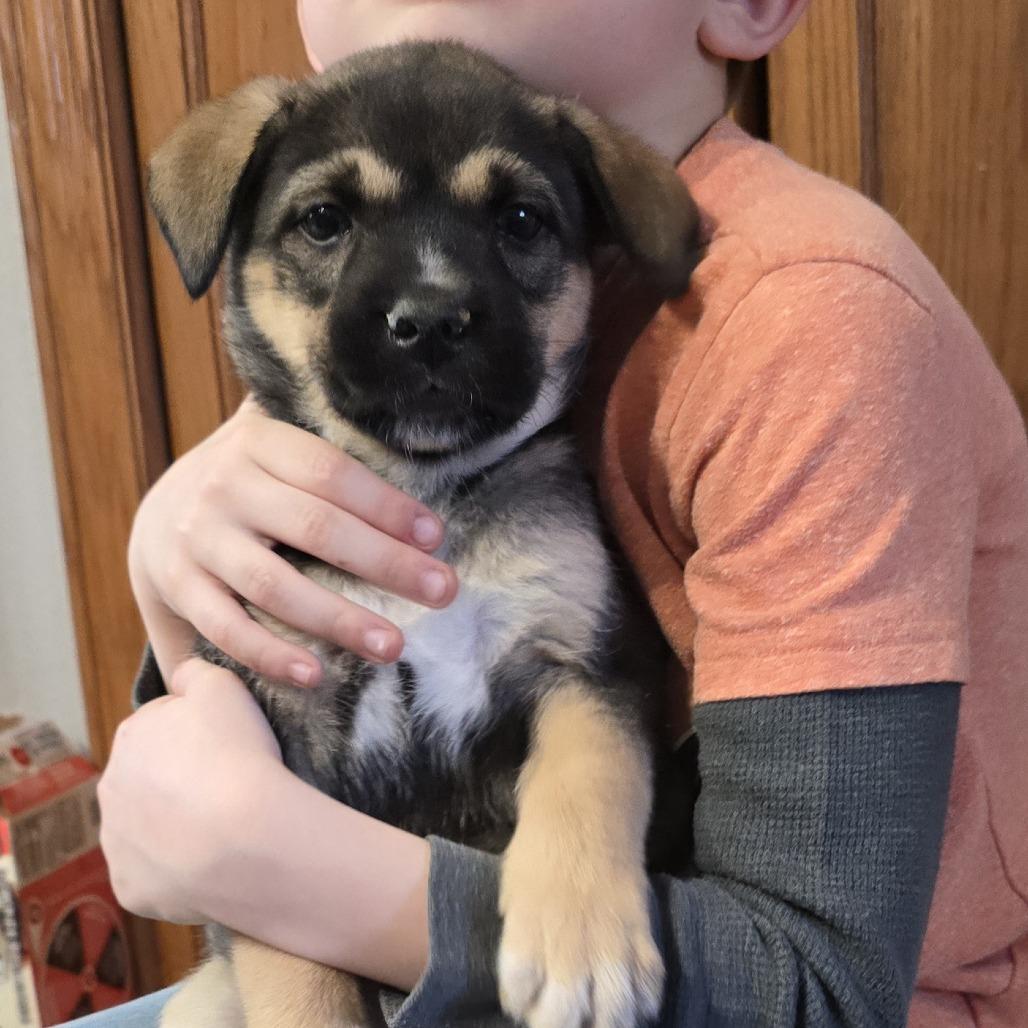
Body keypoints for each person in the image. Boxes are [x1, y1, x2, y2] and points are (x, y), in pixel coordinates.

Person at [87, 1, 1028, 1026]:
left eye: (520, 225)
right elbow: (235, 772)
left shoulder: (811, 324)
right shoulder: (375, 368)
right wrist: (167, 550)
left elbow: (820, 987)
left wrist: (277, 864)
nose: (427, 307)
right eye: (325, 222)